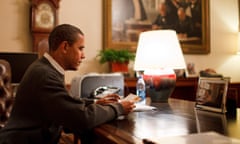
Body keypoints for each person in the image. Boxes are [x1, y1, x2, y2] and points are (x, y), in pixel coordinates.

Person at [0, 24, 135, 144]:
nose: (83, 56)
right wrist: (119, 108)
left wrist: (93, 104)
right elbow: (82, 119)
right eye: (80, 48)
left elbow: (62, 108)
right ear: (65, 47)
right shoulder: (45, 75)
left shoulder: (46, 69)